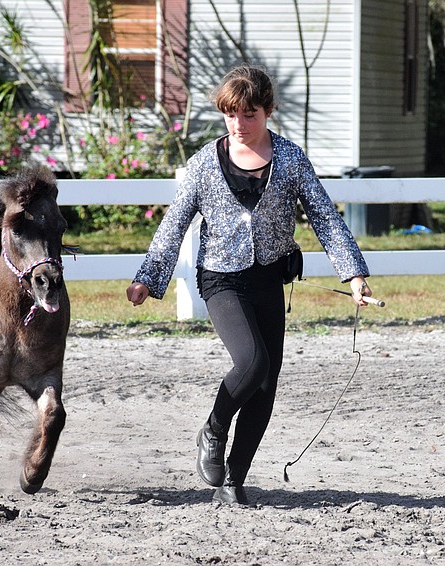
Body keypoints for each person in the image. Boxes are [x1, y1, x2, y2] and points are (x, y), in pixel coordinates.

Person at [126, 64, 371, 505]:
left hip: (268, 279)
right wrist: (148, 276)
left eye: (249, 114)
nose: (239, 124)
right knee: (253, 361)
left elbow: (326, 218)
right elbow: (174, 223)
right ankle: (213, 428)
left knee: (265, 385)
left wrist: (354, 275)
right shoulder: (204, 163)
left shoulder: (291, 159)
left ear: (268, 110)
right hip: (221, 279)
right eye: (231, 114)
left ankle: (233, 483)